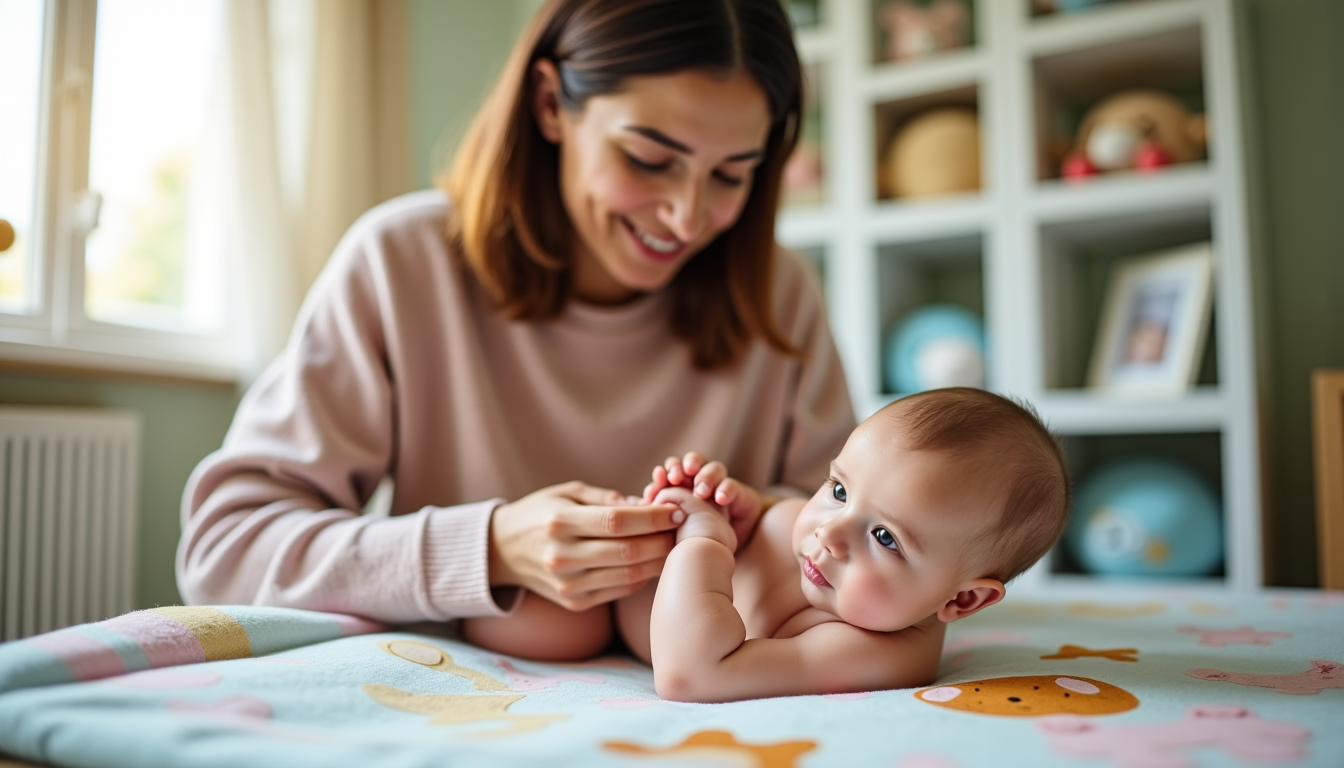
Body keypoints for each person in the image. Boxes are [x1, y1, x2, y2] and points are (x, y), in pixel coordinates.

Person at [176, 0, 855, 634]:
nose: (685, 215)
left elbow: (858, 536)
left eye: (731, 175)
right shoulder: (400, 263)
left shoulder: (781, 295)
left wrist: (757, 522)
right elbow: (223, 552)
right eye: (648, 159)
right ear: (550, 104)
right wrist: (490, 548)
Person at [464, 388, 1071, 702]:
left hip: (616, 619)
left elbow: (692, 675)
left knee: (540, 631)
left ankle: (454, 612)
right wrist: (738, 507)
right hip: (624, 570)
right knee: (554, 571)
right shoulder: (823, 541)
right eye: (837, 488)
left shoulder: (874, 651)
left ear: (963, 600)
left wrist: (704, 540)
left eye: (885, 537)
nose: (828, 533)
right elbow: (775, 520)